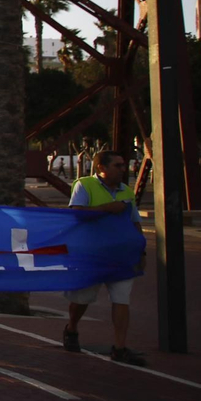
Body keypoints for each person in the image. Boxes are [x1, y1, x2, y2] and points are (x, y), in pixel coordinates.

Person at [62, 150, 146, 365]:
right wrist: (107, 208)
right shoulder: (85, 185)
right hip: (91, 255)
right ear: (102, 168)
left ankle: (119, 347)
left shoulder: (127, 191)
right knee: (82, 299)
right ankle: (72, 328)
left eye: (123, 165)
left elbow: (134, 221)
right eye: (117, 165)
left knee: (121, 299)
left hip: (120, 256)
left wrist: (140, 249)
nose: (122, 169)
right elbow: (77, 214)